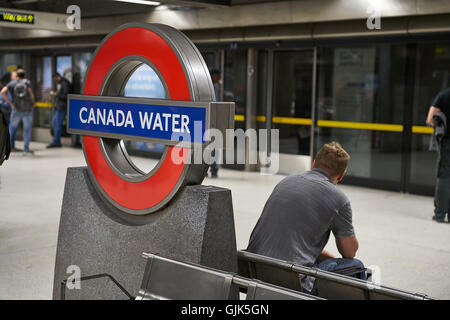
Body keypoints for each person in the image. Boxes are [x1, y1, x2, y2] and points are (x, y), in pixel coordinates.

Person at [246, 142, 365, 295]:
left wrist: (327, 257)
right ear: (341, 175)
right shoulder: (339, 199)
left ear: (314, 164)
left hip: (254, 270)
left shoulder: (286, 181)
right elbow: (349, 252)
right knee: (356, 267)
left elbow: (293, 242)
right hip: (292, 281)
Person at [426, 87, 450, 223]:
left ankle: (440, 214)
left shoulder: (443, 95)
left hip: (447, 142)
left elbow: (430, 119)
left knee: (444, 176)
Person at [0, 69, 35, 155]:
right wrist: (32, 103)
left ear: (17, 76)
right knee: (27, 130)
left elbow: (3, 92)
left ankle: (10, 148)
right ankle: (26, 150)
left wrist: (11, 103)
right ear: (24, 75)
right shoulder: (27, 82)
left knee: (12, 128)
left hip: (16, 109)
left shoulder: (12, 83)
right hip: (27, 110)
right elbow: (31, 94)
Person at [47, 73, 71, 148]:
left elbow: (66, 95)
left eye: (55, 80)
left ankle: (56, 141)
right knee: (55, 122)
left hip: (62, 106)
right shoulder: (64, 83)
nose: (55, 82)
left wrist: (56, 94)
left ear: (58, 77)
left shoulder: (65, 83)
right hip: (61, 106)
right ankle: (57, 140)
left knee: (57, 124)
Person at [209, 69, 221, 178]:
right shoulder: (208, 86)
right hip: (207, 120)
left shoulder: (217, 87)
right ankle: (210, 168)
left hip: (214, 120)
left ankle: (213, 169)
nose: (219, 78)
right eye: (217, 76)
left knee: (214, 146)